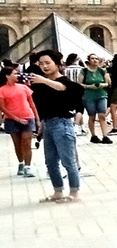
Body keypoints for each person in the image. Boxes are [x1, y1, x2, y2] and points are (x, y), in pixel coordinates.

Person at [25, 51, 83, 201]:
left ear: (57, 64)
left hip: (62, 123)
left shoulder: (62, 81)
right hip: (48, 124)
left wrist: (44, 81)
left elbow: (68, 88)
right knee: (50, 162)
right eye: (41, 63)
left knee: (68, 161)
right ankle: (58, 191)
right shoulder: (40, 83)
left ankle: (74, 192)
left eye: (47, 63)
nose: (44, 66)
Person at [81, 54, 111, 144]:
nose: (95, 60)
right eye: (92, 59)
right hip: (88, 96)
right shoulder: (84, 71)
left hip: (101, 94)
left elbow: (108, 83)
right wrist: (89, 86)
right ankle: (93, 135)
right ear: (89, 60)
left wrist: (102, 85)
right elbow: (79, 84)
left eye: (96, 59)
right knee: (92, 116)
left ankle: (105, 136)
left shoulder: (102, 71)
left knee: (102, 115)